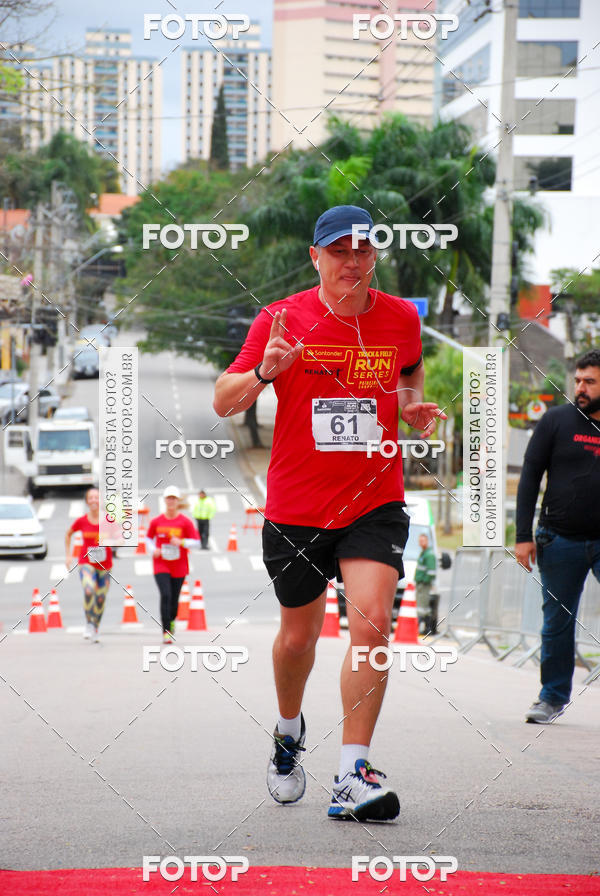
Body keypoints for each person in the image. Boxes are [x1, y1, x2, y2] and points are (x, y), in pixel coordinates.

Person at [213, 205, 444, 821]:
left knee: (371, 626)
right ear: (315, 256)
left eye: (363, 250)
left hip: (374, 500)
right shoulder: (281, 319)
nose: (352, 260)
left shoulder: (400, 318)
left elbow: (409, 377)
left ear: (376, 257)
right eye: (338, 250)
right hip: (298, 508)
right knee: (298, 638)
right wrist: (267, 370)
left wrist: (412, 407)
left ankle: (351, 772)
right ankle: (289, 733)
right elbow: (222, 401)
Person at [515, 350, 600, 724]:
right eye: (578, 380)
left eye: (590, 382)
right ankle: (551, 698)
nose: (580, 388)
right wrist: (522, 536)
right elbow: (530, 477)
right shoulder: (556, 421)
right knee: (557, 623)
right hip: (559, 540)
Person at [147, 486, 199, 643]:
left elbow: (196, 542)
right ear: (164, 500)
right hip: (161, 564)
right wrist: (153, 549)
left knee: (174, 600)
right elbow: (148, 539)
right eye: (168, 498)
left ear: (178, 501)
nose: (171, 501)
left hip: (179, 565)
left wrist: (181, 541)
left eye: (174, 498)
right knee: (165, 595)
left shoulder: (185, 522)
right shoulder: (157, 521)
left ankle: (171, 622)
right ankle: (166, 631)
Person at [65, 487, 112, 643]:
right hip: (86, 562)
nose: (93, 500)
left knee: (100, 598)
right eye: (90, 498)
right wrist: (68, 555)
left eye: (96, 497)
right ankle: (89, 625)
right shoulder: (82, 520)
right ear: (87, 501)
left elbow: (121, 538)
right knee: (89, 589)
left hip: (105, 565)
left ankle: (96, 626)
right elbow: (68, 534)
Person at [415, 533, 437, 634]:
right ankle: (425, 628)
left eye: (423, 541)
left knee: (423, 606)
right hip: (421, 583)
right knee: (422, 606)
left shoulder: (429, 554)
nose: (421, 543)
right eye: (420, 541)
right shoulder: (423, 553)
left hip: (424, 584)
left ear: (427, 541)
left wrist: (424, 581)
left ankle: (426, 628)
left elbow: (431, 571)